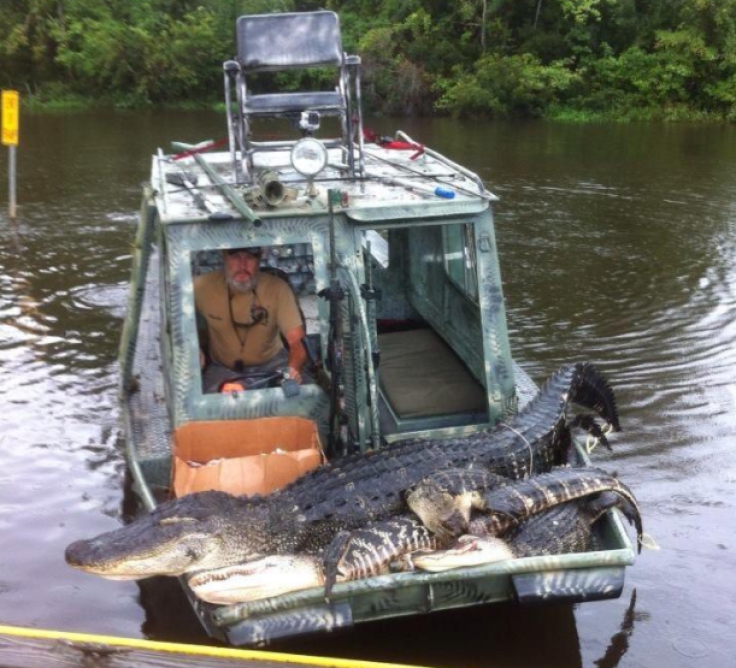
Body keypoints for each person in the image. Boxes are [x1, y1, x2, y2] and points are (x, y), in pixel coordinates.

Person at [194, 246, 307, 393]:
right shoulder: (200, 287)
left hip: (273, 364)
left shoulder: (278, 288)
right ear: (224, 257)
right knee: (211, 408)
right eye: (235, 257)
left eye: (250, 257)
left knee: (303, 396)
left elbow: (297, 342)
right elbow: (174, 318)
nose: (242, 265)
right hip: (222, 369)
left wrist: (291, 372)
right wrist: (194, 349)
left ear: (259, 259)